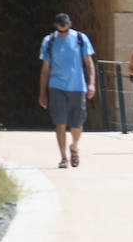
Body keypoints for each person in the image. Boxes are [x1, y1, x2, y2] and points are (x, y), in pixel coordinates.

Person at [38, 13, 96, 168]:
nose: (63, 33)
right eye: (60, 30)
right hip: (57, 86)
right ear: (56, 27)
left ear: (70, 24)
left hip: (78, 86)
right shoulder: (49, 41)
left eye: (66, 30)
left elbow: (89, 63)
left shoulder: (80, 39)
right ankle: (63, 157)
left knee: (77, 123)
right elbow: (45, 70)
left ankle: (74, 146)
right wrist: (42, 93)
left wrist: (91, 84)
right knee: (60, 122)